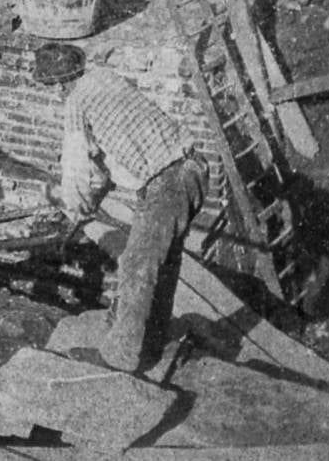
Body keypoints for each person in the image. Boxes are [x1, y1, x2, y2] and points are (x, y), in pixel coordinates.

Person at [48, 63, 209, 375]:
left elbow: (76, 169)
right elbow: (107, 163)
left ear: (58, 84)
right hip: (192, 171)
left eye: (53, 86)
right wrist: (95, 197)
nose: (56, 93)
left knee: (137, 265)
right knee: (163, 264)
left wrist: (76, 206)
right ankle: (153, 343)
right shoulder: (105, 78)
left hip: (167, 181)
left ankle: (120, 359)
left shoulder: (75, 102)